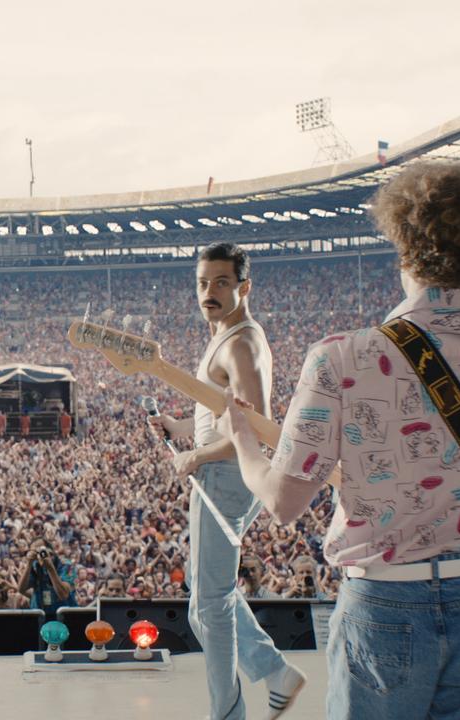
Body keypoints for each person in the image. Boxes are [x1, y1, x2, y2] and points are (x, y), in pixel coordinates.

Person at [218, 160, 460, 719]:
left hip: (385, 600)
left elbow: (282, 502)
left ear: (404, 250)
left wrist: (242, 439)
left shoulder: (343, 356)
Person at [148, 242, 304, 720]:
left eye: (220, 282)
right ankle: (274, 672)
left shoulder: (240, 343)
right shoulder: (226, 333)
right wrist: (181, 429)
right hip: (223, 472)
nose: (208, 292)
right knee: (206, 595)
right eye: (202, 283)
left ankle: (231, 711)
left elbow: (256, 430)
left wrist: (195, 454)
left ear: (244, 286)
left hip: (227, 477)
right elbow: (223, 411)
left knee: (209, 605)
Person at [17, 539, 76, 619]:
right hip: (40, 615)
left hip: (62, 616)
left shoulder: (65, 564)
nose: (39, 554)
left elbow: (63, 594)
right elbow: (21, 589)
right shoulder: (34, 565)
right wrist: (29, 563)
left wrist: (50, 567)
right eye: (35, 551)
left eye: (41, 549)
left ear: (51, 550)